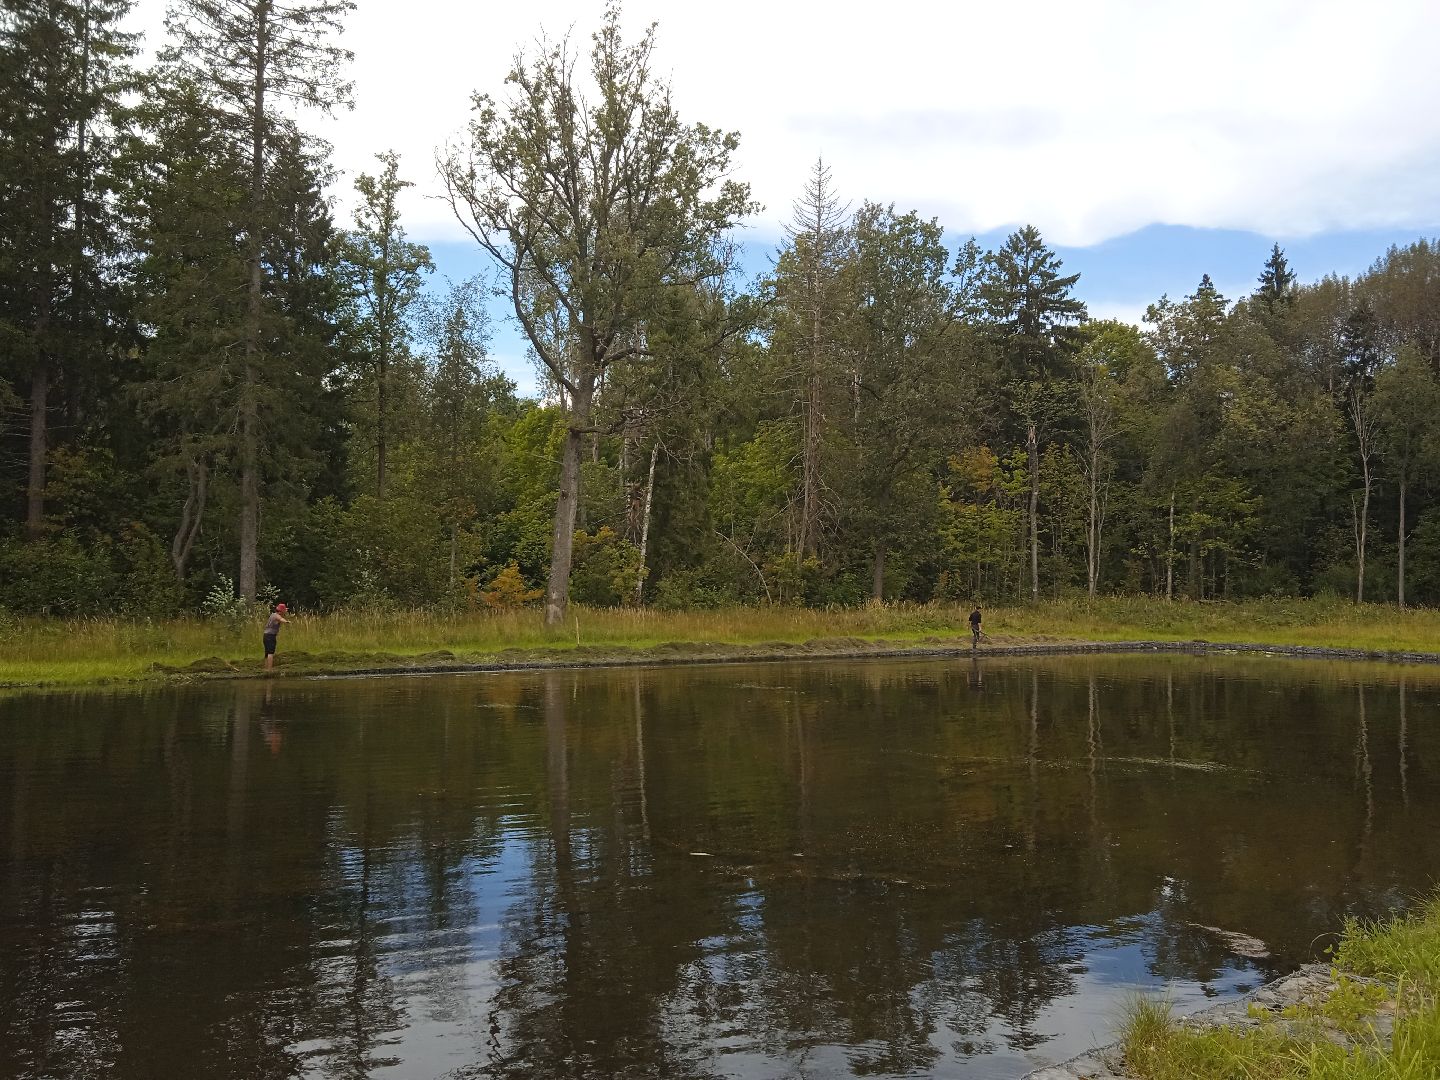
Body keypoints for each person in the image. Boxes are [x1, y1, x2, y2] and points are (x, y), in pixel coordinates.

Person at [263, 603, 290, 670]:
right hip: (270, 636)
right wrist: (286, 622)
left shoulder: (273, 614)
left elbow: (281, 615)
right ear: (281, 611)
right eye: (284, 610)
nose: (286, 611)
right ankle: (269, 670)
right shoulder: (276, 616)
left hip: (266, 635)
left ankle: (266, 669)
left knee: (267, 653)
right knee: (270, 653)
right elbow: (280, 619)